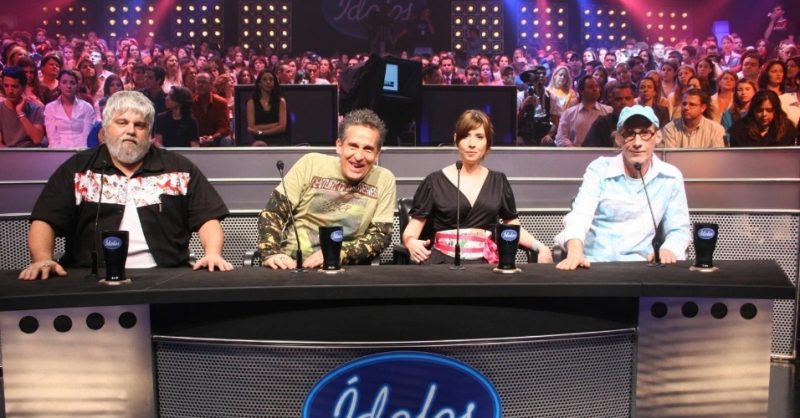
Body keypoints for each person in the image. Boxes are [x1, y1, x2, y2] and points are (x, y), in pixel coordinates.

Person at [19, 91, 233, 280]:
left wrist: (212, 253)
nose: (131, 130)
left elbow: (207, 218)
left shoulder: (178, 168)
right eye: (122, 122)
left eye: (140, 125)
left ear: (149, 133)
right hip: (89, 278)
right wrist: (42, 258)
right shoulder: (78, 169)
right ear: (105, 128)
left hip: (166, 276)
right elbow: (46, 219)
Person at [403, 109, 552, 264]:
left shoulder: (499, 181)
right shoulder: (433, 182)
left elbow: (512, 227)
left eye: (479, 137)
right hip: (443, 264)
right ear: (456, 139)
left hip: (485, 263)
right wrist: (410, 241)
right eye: (465, 136)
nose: (472, 144)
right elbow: (412, 229)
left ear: (487, 143)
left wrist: (540, 247)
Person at [555, 105, 691, 270]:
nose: (637, 143)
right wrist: (575, 252)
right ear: (618, 139)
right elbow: (580, 216)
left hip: (643, 266)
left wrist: (669, 249)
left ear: (658, 136)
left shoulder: (670, 176)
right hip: (595, 264)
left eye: (645, 133)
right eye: (629, 134)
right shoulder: (599, 169)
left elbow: (679, 229)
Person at [256, 109, 396, 269]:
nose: (358, 156)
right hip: (293, 265)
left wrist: (339, 254)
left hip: (345, 268)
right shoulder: (311, 164)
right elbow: (273, 213)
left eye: (368, 149)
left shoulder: (384, 179)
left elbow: (380, 236)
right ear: (339, 146)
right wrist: (270, 252)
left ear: (377, 154)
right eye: (353, 146)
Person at [554, 76, 612, 147]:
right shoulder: (568, 114)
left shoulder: (609, 111)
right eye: (590, 87)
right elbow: (561, 138)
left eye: (597, 86)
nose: (595, 89)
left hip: (603, 153)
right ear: (581, 91)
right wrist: (575, 151)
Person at [44, 70, 94, 148]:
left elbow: (87, 136)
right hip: (57, 151)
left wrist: (78, 152)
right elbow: (52, 138)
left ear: (77, 86)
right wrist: (62, 152)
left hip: (81, 150)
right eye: (64, 82)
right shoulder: (50, 108)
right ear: (59, 85)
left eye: (72, 83)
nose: (68, 86)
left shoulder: (86, 107)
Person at [729, 90, 798, 147]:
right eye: (759, 110)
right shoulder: (739, 129)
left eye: (769, 110)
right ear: (753, 110)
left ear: (776, 110)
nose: (764, 114)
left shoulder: (786, 129)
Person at [0, 66, 45, 147]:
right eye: (6, 86)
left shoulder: (35, 109)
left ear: (23, 87)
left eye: (14, 86)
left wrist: (20, 114)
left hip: (32, 151)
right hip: (8, 152)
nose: (10, 91)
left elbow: (37, 139)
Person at [583, 83, 636, 147]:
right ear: (612, 102)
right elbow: (588, 149)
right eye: (618, 99)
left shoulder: (641, 122)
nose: (623, 102)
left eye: (627, 98)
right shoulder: (601, 123)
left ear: (633, 101)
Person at [246, 69, 287, 146]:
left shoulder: (281, 101)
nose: (268, 82)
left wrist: (261, 132)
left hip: (278, 139)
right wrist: (276, 124)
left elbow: (282, 127)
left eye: (271, 79)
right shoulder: (251, 102)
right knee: (259, 144)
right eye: (264, 79)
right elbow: (251, 127)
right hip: (258, 139)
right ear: (259, 83)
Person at [192, 71, 231, 146]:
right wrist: (198, 138)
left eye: (204, 82)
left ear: (211, 85)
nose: (200, 85)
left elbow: (224, 127)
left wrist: (212, 137)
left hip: (216, 139)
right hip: (197, 139)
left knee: (226, 140)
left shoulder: (221, 102)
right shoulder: (191, 103)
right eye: (198, 82)